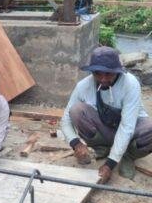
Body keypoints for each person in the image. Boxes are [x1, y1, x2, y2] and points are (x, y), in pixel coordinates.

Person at [61, 46, 152, 183]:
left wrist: (110, 164)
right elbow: (66, 120)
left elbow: (127, 127)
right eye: (98, 73)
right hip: (106, 130)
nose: (103, 79)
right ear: (92, 71)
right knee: (76, 110)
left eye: (108, 74)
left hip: (132, 130)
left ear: (117, 71)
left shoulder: (130, 84)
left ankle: (128, 156)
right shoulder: (83, 86)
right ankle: (102, 147)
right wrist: (76, 143)